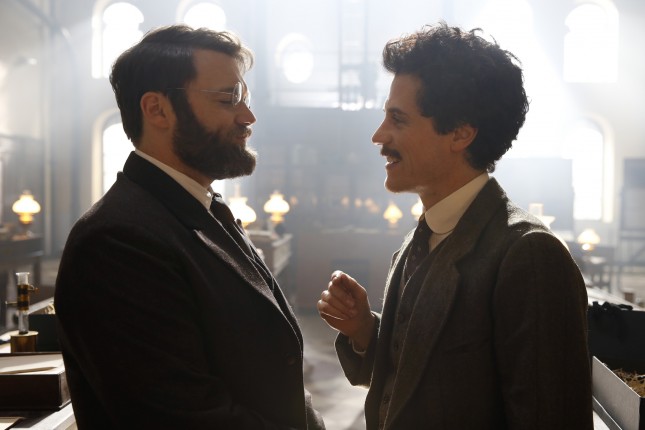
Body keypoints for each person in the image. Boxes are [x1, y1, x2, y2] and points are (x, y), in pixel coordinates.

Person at [317, 22, 592, 430]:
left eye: (397, 119)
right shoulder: (417, 241)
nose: (378, 135)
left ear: (460, 134)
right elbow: (419, 380)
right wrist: (364, 331)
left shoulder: (530, 255)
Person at [55, 24, 325, 430]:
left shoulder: (205, 208)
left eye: (245, 99)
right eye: (228, 99)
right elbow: (184, 417)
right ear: (157, 110)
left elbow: (271, 375)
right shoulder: (116, 240)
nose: (248, 117)